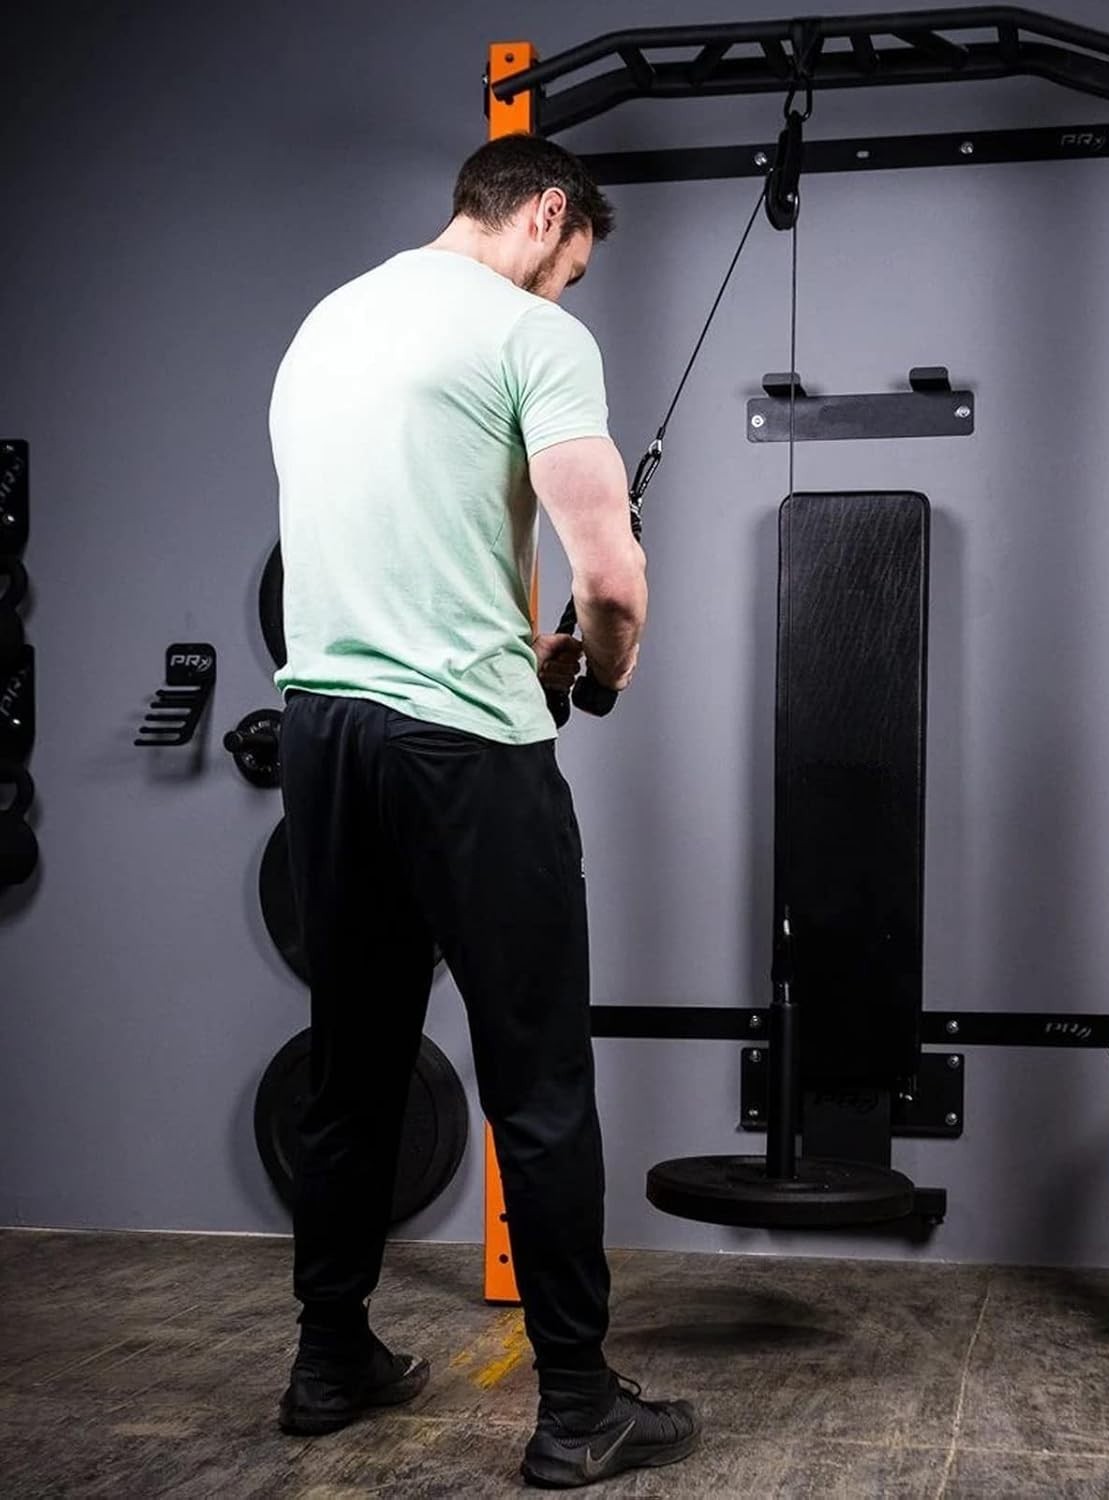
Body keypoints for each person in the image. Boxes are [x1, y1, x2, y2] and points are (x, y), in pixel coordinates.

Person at [266, 132, 699, 1488]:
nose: (564, 293)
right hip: (462, 750)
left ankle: (328, 1358)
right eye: (571, 270)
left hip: (326, 737)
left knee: (351, 1067)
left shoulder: (328, 324)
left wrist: (524, 641)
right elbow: (610, 579)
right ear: (547, 215)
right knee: (540, 1079)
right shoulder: (530, 335)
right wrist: (602, 670)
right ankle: (578, 1409)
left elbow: (407, 543)